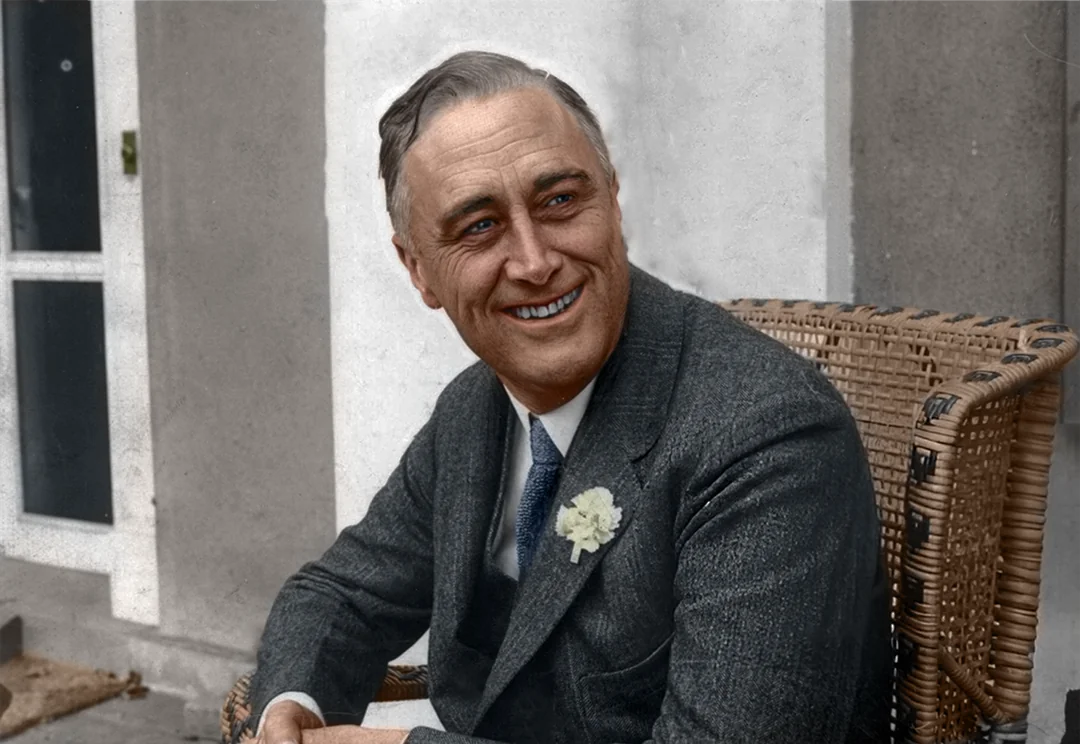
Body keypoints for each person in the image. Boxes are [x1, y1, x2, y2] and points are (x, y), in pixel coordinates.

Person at [250, 50, 891, 744]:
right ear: (419, 271)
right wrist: (292, 706)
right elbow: (339, 594)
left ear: (612, 201)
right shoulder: (475, 410)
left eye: (559, 201)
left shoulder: (767, 437)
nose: (533, 262)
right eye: (479, 227)